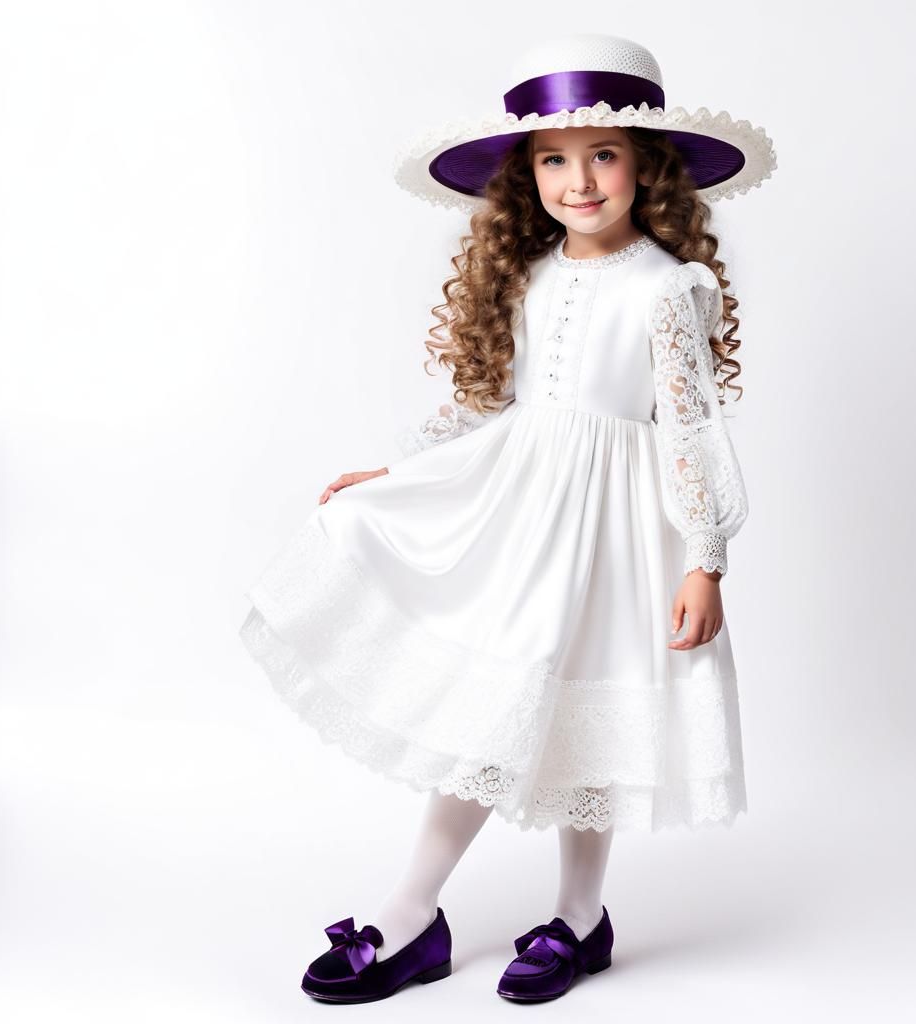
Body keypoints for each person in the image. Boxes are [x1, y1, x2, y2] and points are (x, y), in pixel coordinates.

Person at [239, 31, 777, 1005]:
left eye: (602, 153)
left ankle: (576, 917)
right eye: (553, 159)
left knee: (584, 713)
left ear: (645, 166)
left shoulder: (668, 289)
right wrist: (398, 472)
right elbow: (487, 405)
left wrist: (704, 558)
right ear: (527, 173)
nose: (578, 180)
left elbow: (689, 431)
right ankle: (414, 915)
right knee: (496, 715)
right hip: (521, 511)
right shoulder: (531, 278)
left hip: (614, 529)